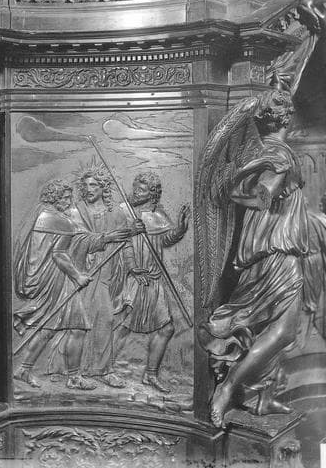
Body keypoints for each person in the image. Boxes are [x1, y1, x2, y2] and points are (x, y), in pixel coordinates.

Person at [199, 89, 310, 428]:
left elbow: (235, 192)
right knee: (284, 330)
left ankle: (259, 395)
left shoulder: (268, 151)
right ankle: (227, 389)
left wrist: (249, 169)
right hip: (276, 250)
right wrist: (259, 166)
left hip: (271, 247)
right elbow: (261, 198)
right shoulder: (278, 153)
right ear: (286, 118)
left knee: (273, 326)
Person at [13, 178, 133, 391]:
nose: (70, 202)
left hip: (50, 280)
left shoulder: (45, 215)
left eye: (70, 197)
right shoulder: (61, 221)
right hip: (60, 281)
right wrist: (78, 276)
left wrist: (120, 234)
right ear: (56, 198)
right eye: (66, 198)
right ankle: (74, 377)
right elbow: (60, 253)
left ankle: (24, 368)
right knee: (76, 328)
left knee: (49, 328)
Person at [114, 171, 190, 393]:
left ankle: (150, 374)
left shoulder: (158, 214)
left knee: (166, 328)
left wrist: (180, 229)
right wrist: (132, 268)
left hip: (153, 280)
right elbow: (123, 244)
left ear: (152, 194)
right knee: (122, 326)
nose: (136, 192)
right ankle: (104, 368)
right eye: (136, 188)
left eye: (142, 190)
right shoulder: (124, 211)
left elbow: (164, 240)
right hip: (135, 278)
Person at [70, 164, 143, 388]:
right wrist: (107, 237)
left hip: (111, 272)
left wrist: (132, 266)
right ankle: (82, 372)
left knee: (102, 319)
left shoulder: (116, 212)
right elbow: (77, 241)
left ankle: (96, 370)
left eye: (94, 184)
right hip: (85, 272)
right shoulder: (77, 211)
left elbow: (126, 243)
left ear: (103, 187)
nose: (88, 189)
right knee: (93, 319)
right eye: (85, 185)